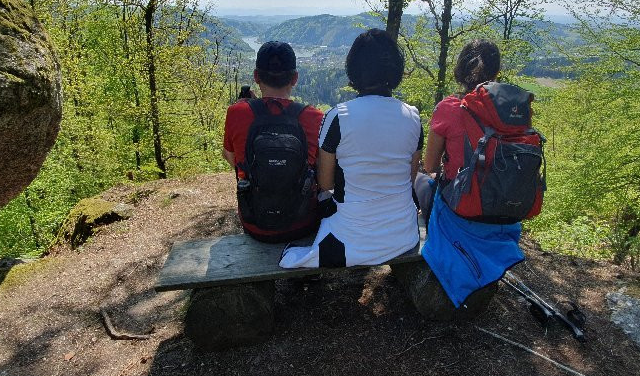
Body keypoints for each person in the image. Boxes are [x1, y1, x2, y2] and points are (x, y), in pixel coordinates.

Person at [280, 29, 423, 268]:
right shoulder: (413, 117)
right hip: (404, 235)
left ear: (354, 69)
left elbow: (325, 185)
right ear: (396, 68)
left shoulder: (338, 116)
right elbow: (408, 179)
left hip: (351, 238)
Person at [416, 39, 525, 308]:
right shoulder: (515, 112)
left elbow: (430, 165)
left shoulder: (449, 108)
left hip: (462, 210)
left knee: (419, 181)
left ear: (460, 71)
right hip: (505, 210)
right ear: (496, 73)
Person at [223, 41, 324, 242]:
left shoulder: (237, 112)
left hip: (255, 224)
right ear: (294, 78)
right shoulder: (315, 117)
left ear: (256, 76)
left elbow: (231, 158)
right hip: (303, 222)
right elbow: (322, 171)